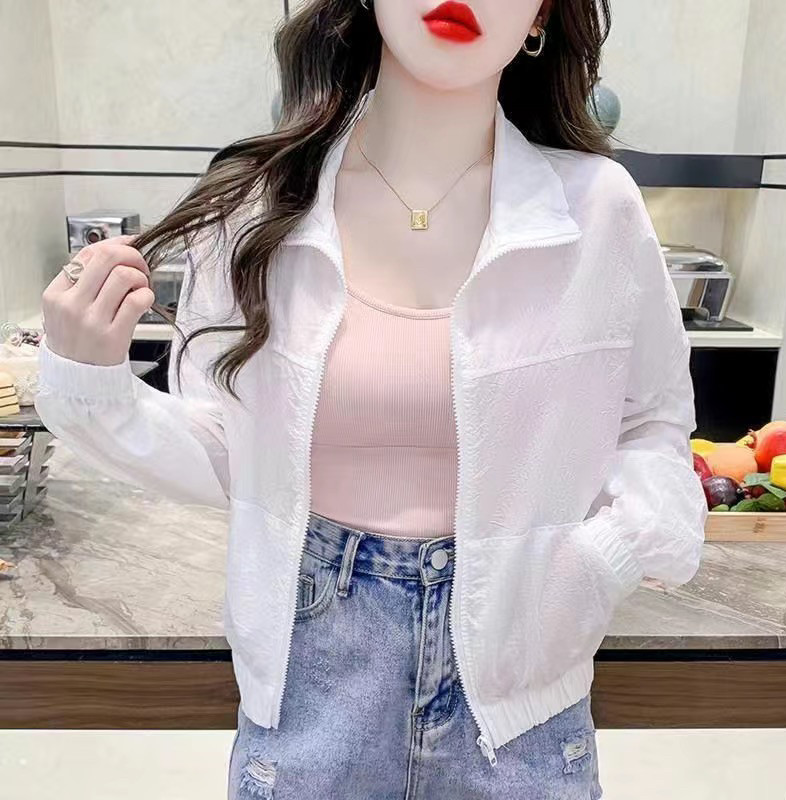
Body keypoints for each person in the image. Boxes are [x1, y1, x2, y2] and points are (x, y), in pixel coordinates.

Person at [35, 0, 709, 797]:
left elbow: (653, 423)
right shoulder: (258, 207)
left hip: (522, 703)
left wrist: (604, 559)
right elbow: (231, 449)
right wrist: (90, 386)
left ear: (541, 17)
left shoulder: (598, 207)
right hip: (311, 680)